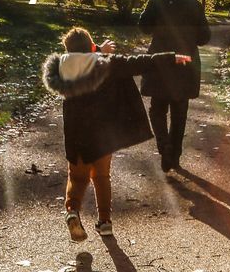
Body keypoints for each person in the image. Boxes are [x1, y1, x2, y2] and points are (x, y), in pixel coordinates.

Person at [41, 26, 191, 241]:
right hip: (101, 135)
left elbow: (80, 58)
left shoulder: (62, 68)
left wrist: (96, 48)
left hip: (76, 134)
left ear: (67, 49)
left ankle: (72, 211)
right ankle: (105, 223)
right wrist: (172, 57)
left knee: (77, 176)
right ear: (90, 45)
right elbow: (140, 62)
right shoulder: (107, 63)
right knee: (101, 176)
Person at [138, 0, 211, 172]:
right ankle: (175, 155)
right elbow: (204, 37)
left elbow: (143, 27)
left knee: (157, 109)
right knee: (180, 111)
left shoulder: (155, 2)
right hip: (185, 63)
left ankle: (164, 146)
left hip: (160, 62)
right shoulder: (195, 5)